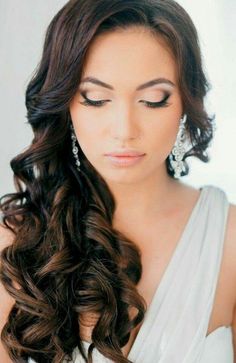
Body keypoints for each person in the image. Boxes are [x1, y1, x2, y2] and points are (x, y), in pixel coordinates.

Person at [0, 0, 235, 362]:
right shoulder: (16, 244)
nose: (125, 130)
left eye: (153, 100)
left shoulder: (228, 239)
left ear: (186, 103)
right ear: (65, 103)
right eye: (96, 99)